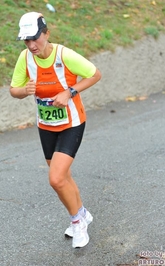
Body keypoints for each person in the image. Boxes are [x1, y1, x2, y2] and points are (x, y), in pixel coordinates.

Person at [9, 11, 102, 248]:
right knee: (63, 176)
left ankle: (78, 222)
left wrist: (70, 91)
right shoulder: (25, 58)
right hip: (47, 125)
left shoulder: (64, 55)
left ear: (46, 33)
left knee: (56, 178)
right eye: (26, 40)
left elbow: (95, 74)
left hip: (72, 122)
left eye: (35, 38)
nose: (31, 45)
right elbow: (14, 90)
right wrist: (25, 90)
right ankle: (82, 213)